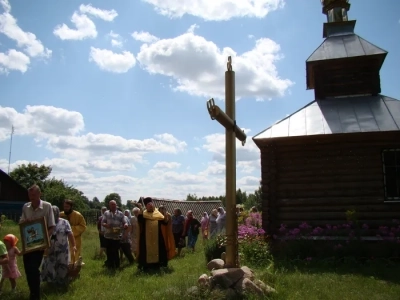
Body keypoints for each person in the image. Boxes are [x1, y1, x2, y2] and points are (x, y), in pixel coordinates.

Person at [20, 184, 55, 300]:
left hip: (39, 245)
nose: (31, 197)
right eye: (30, 195)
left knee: (33, 269)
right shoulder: (26, 206)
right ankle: (32, 292)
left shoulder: (47, 206)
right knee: (27, 269)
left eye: (34, 195)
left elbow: (51, 227)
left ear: (39, 194)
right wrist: (25, 221)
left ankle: (35, 295)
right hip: (28, 244)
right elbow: (21, 223)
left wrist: (44, 241)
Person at [41, 206, 77, 285]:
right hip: (50, 249)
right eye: (52, 213)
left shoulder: (64, 222)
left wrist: (74, 245)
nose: (53, 214)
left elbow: (70, 234)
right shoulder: (46, 222)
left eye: (55, 213)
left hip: (63, 249)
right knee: (49, 265)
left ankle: (61, 282)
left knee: (62, 265)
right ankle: (50, 282)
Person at [136, 197, 170, 271]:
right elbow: (140, 220)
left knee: (160, 249)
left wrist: (166, 216)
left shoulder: (158, 214)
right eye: (149, 204)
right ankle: (146, 266)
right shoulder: (144, 214)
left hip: (157, 237)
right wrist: (141, 209)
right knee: (145, 251)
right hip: (145, 237)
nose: (150, 205)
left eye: (151, 204)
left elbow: (165, 223)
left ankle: (159, 265)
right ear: (146, 206)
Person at [102, 200, 128, 270]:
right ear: (109, 206)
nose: (113, 206)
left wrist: (125, 225)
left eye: (114, 204)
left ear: (116, 205)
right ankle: (110, 265)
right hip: (108, 235)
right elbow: (103, 222)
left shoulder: (120, 214)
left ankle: (116, 265)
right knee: (109, 251)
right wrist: (105, 225)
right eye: (111, 205)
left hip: (117, 236)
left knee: (115, 251)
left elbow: (124, 222)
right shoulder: (106, 213)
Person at [60, 199, 87, 265]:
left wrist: (70, 229)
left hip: (75, 240)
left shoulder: (78, 215)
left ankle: (74, 271)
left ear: (71, 207)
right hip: (63, 239)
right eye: (64, 207)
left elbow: (83, 226)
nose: (65, 208)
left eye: (67, 207)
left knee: (74, 255)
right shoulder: (60, 214)